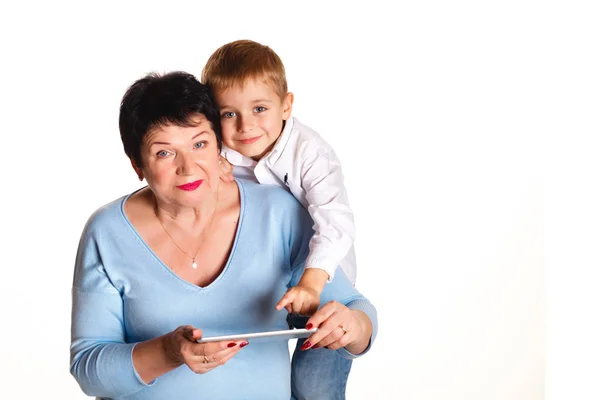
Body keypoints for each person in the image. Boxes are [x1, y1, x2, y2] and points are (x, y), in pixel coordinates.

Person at [69, 71, 377, 400]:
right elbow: (89, 369)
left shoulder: (277, 213)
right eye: (164, 153)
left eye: (199, 144)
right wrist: (168, 353)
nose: (188, 167)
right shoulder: (107, 232)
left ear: (220, 145)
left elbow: (357, 311)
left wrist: (351, 326)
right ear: (137, 165)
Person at [201, 39, 359, 398]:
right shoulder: (218, 152)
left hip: (320, 284)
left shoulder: (310, 153)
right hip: (258, 283)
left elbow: (335, 221)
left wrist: (311, 284)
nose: (245, 126)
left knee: (313, 386)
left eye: (260, 108)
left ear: (286, 105)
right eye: (229, 114)